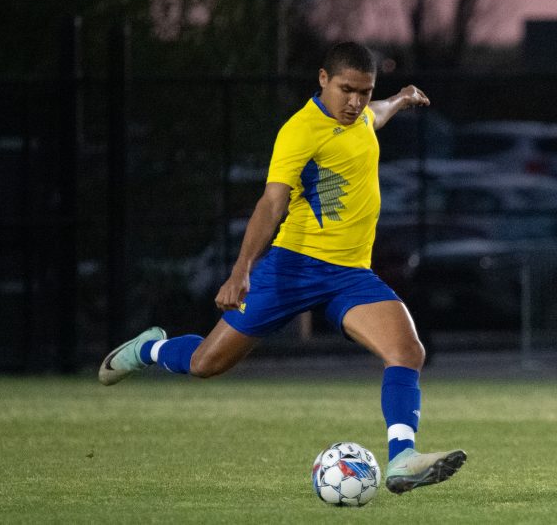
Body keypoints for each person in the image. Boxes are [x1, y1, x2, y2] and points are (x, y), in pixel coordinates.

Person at [98, 42, 466, 494]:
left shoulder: (363, 115)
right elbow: (271, 204)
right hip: (292, 268)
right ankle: (150, 350)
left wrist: (401, 97)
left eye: (365, 92)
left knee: (407, 351)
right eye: (347, 90)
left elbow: (378, 114)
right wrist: (241, 271)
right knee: (205, 364)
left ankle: (403, 458)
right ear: (323, 80)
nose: (355, 102)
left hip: (350, 275)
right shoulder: (300, 132)